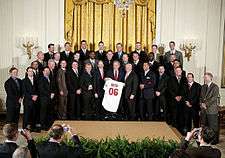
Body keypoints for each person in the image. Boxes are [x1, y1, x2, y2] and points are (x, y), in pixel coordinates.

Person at [200, 72, 220, 144]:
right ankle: (206, 140)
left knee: (213, 127)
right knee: (205, 127)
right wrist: (201, 104)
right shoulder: (203, 87)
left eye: (206, 77)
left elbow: (214, 98)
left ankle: (214, 141)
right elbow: (201, 97)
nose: (205, 78)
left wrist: (206, 104)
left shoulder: (215, 87)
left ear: (211, 78)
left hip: (212, 110)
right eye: (204, 77)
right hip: (204, 110)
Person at [167, 66, 188, 134]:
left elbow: (185, 88)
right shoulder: (171, 78)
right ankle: (174, 132)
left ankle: (181, 132)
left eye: (179, 70)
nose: (178, 72)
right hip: (173, 101)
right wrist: (175, 96)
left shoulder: (185, 79)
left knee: (181, 117)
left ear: (181, 71)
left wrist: (180, 96)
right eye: (176, 70)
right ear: (174, 71)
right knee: (174, 116)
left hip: (182, 101)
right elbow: (169, 89)